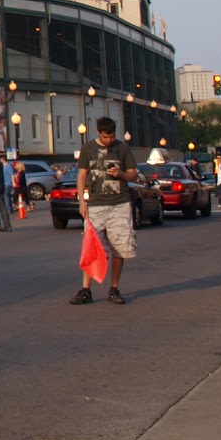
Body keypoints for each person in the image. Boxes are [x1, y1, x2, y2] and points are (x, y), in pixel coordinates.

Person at [71, 118, 139, 304]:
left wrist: (122, 174)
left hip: (120, 204)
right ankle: (86, 290)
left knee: (119, 249)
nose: (109, 140)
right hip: (95, 204)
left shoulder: (122, 149)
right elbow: (82, 175)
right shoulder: (88, 149)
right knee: (91, 247)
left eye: (111, 136)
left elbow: (134, 173)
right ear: (99, 133)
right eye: (105, 136)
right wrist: (82, 202)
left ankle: (114, 289)